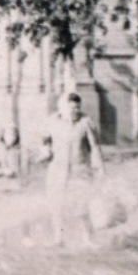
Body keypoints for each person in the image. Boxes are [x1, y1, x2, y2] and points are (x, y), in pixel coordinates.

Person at [39, 91, 104, 247]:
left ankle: (88, 238)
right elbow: (44, 139)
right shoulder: (52, 121)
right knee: (57, 206)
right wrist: (45, 150)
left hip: (79, 171)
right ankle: (59, 239)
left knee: (82, 207)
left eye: (77, 107)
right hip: (57, 171)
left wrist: (100, 168)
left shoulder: (85, 122)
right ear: (62, 108)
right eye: (71, 108)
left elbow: (94, 147)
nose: (74, 111)